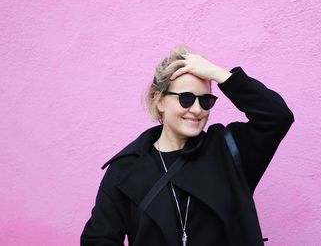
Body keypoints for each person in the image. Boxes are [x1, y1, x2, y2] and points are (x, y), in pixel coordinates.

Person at [81, 45, 295, 246]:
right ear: (160, 100)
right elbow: (98, 240)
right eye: (186, 98)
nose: (197, 109)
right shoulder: (126, 168)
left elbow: (277, 117)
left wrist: (218, 73)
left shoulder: (228, 150)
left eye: (205, 100)